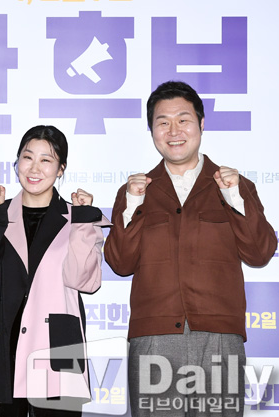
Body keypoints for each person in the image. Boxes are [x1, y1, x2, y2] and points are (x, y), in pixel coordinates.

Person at [104, 81, 277, 416]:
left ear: (201, 124)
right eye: (163, 122)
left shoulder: (235, 185)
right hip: (153, 335)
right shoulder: (134, 192)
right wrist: (133, 204)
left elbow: (260, 253)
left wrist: (234, 197)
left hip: (219, 335)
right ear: (151, 130)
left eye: (183, 120)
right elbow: (121, 263)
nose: (174, 131)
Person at [0, 125, 110, 417]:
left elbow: (85, 281)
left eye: (46, 160)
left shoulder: (78, 217)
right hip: (1, 351)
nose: (34, 168)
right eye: (28, 157)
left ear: (61, 169)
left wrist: (81, 222)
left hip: (58, 351)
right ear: (17, 161)